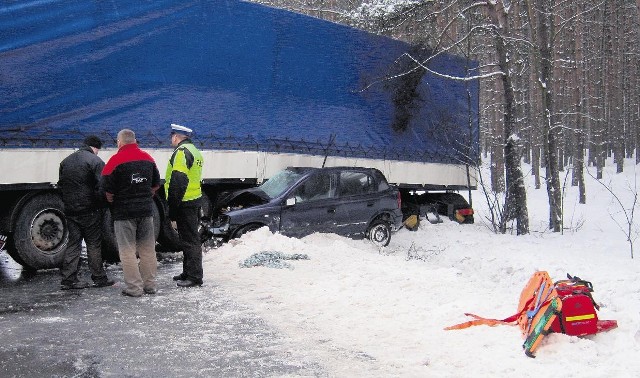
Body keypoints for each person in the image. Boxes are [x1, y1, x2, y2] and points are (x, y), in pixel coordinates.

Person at [101, 129, 161, 297]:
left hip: (124, 213)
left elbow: (105, 189)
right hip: (146, 211)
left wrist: (113, 200)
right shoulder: (148, 159)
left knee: (127, 251)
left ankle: (134, 288)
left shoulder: (114, 161)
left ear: (120, 142)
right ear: (135, 141)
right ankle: (150, 285)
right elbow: (156, 184)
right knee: (148, 249)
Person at [58, 135, 114, 290]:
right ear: (95, 148)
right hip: (90, 210)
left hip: (70, 210)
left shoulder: (66, 161)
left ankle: (69, 280)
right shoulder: (95, 161)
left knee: (73, 244)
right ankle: (99, 277)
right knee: (94, 244)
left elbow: (61, 185)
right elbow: (102, 186)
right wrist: (102, 204)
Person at [166, 124, 204, 287]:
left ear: (177, 137)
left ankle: (194, 276)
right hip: (193, 200)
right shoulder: (195, 151)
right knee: (189, 239)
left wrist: (172, 208)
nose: (171, 139)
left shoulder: (182, 153)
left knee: (190, 240)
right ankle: (188, 272)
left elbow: (178, 181)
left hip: (184, 202)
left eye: (172, 136)